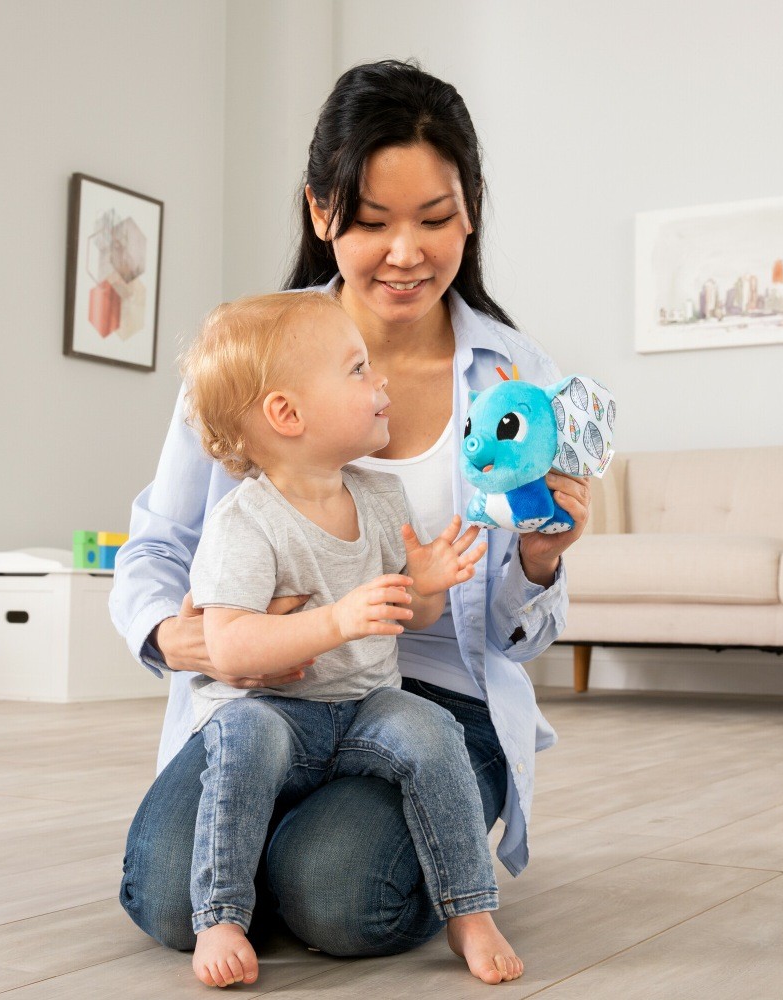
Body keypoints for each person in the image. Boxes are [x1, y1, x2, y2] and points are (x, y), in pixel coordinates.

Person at [112, 58, 590, 976]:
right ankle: (278, 850)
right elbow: (159, 546)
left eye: (435, 218)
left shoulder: (517, 381)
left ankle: (348, 856)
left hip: (433, 699)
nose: (405, 252)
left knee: (338, 896)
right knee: (169, 895)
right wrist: (191, 637)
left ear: (472, 210)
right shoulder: (252, 356)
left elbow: (508, 635)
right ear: (320, 211)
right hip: (261, 696)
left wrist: (537, 557)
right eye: (372, 222)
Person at [180, 290, 523, 987]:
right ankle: (219, 913)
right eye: (358, 370)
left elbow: (407, 618)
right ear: (287, 413)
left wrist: (424, 587)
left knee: (432, 730)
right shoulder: (246, 522)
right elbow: (231, 649)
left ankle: (469, 909)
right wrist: (337, 619)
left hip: (366, 703)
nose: (381, 383)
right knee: (243, 737)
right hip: (277, 713)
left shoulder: (379, 498)